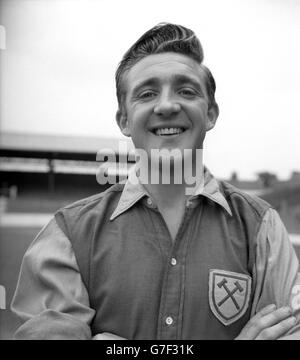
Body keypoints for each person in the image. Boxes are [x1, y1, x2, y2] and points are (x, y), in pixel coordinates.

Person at [11, 23, 300, 340]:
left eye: (186, 91)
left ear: (211, 114)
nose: (166, 106)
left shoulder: (263, 229)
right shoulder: (66, 235)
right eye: (147, 94)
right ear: (124, 119)